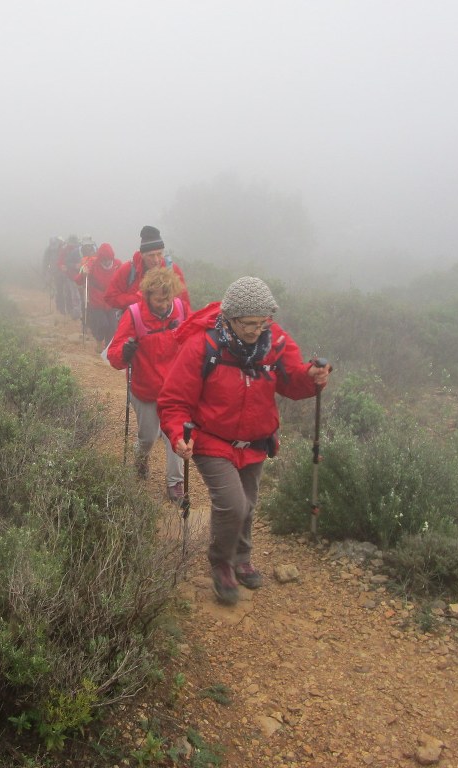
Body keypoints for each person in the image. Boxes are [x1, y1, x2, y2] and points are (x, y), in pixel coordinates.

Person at [157, 276, 331, 605]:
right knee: (232, 504)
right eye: (248, 324)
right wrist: (179, 435)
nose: (255, 331)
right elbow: (175, 401)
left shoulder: (275, 341)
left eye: (262, 323)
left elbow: (292, 381)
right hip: (212, 440)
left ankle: (242, 558)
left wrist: (311, 377)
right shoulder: (203, 345)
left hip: (254, 441)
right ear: (230, 319)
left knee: (247, 505)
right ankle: (222, 563)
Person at [107, 267, 188, 504]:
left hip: (174, 391)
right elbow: (114, 356)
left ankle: (175, 483)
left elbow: (194, 340)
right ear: (147, 296)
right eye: (159, 300)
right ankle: (140, 459)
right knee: (148, 437)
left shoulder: (180, 310)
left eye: (167, 299)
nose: (164, 304)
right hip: (144, 390)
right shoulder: (134, 315)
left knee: (175, 436)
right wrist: (124, 351)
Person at [104, 225, 190, 311]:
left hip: (168, 322)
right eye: (151, 255)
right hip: (135, 323)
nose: (156, 260)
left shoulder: (172, 270)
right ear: (142, 255)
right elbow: (110, 297)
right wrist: (138, 299)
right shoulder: (128, 270)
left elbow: (184, 304)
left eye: (159, 254)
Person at [74, 242, 122, 348]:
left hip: (111, 302)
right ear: (100, 258)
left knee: (113, 326)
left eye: (109, 259)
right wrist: (84, 273)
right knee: (103, 324)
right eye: (104, 259)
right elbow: (78, 280)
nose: (107, 262)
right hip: (96, 302)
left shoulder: (118, 264)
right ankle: (99, 340)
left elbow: (124, 279)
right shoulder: (92, 264)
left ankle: (108, 349)